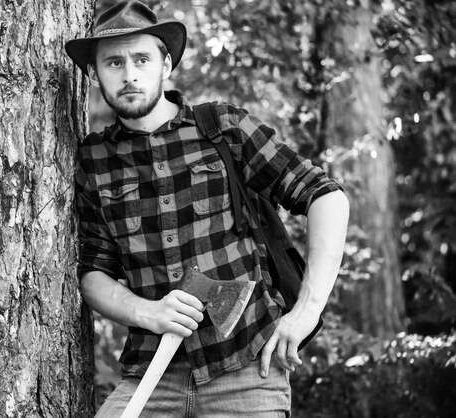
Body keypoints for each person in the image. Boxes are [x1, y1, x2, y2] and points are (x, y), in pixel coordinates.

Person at [65, 1, 349, 416]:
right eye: (113, 62)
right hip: (150, 375)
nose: (129, 74)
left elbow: (325, 195)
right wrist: (150, 312)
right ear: (94, 74)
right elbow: (94, 273)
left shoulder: (221, 128)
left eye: (142, 58)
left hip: (246, 369)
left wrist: (306, 311)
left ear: (166, 63)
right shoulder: (94, 160)